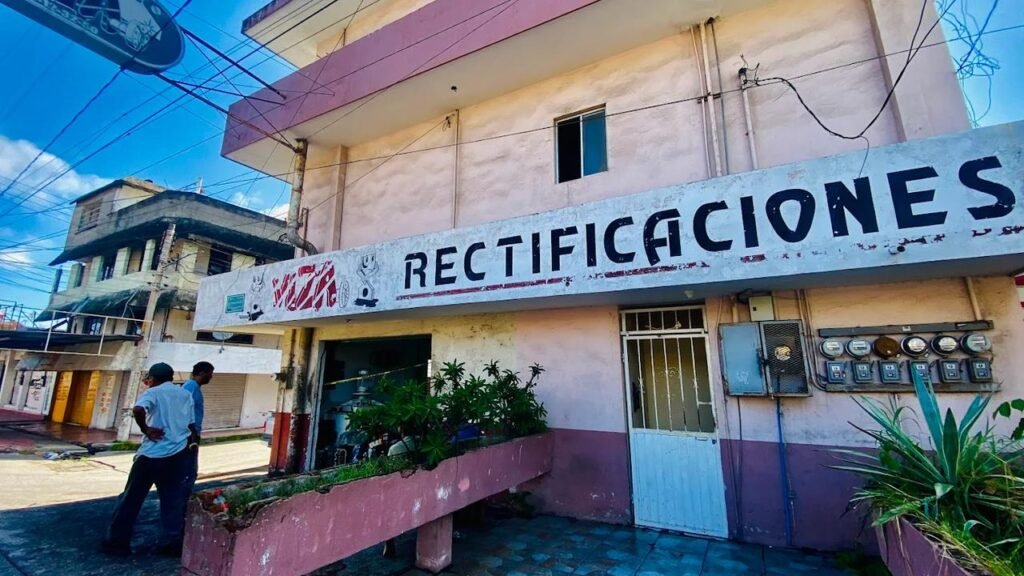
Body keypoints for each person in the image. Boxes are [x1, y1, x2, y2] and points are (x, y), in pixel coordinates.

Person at [101, 363, 197, 557]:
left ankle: (117, 542)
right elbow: (190, 425)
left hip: (151, 455)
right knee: (172, 501)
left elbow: (138, 409)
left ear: (152, 379)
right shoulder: (185, 394)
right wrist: (192, 445)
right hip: (177, 454)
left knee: (131, 499)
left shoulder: (153, 392)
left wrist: (145, 429)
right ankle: (171, 543)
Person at [182, 361, 214, 494]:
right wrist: (193, 433)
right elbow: (184, 410)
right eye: (209, 374)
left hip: (192, 433)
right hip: (190, 434)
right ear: (201, 373)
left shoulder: (194, 387)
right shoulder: (191, 387)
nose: (211, 377)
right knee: (189, 469)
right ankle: (183, 496)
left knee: (190, 468)